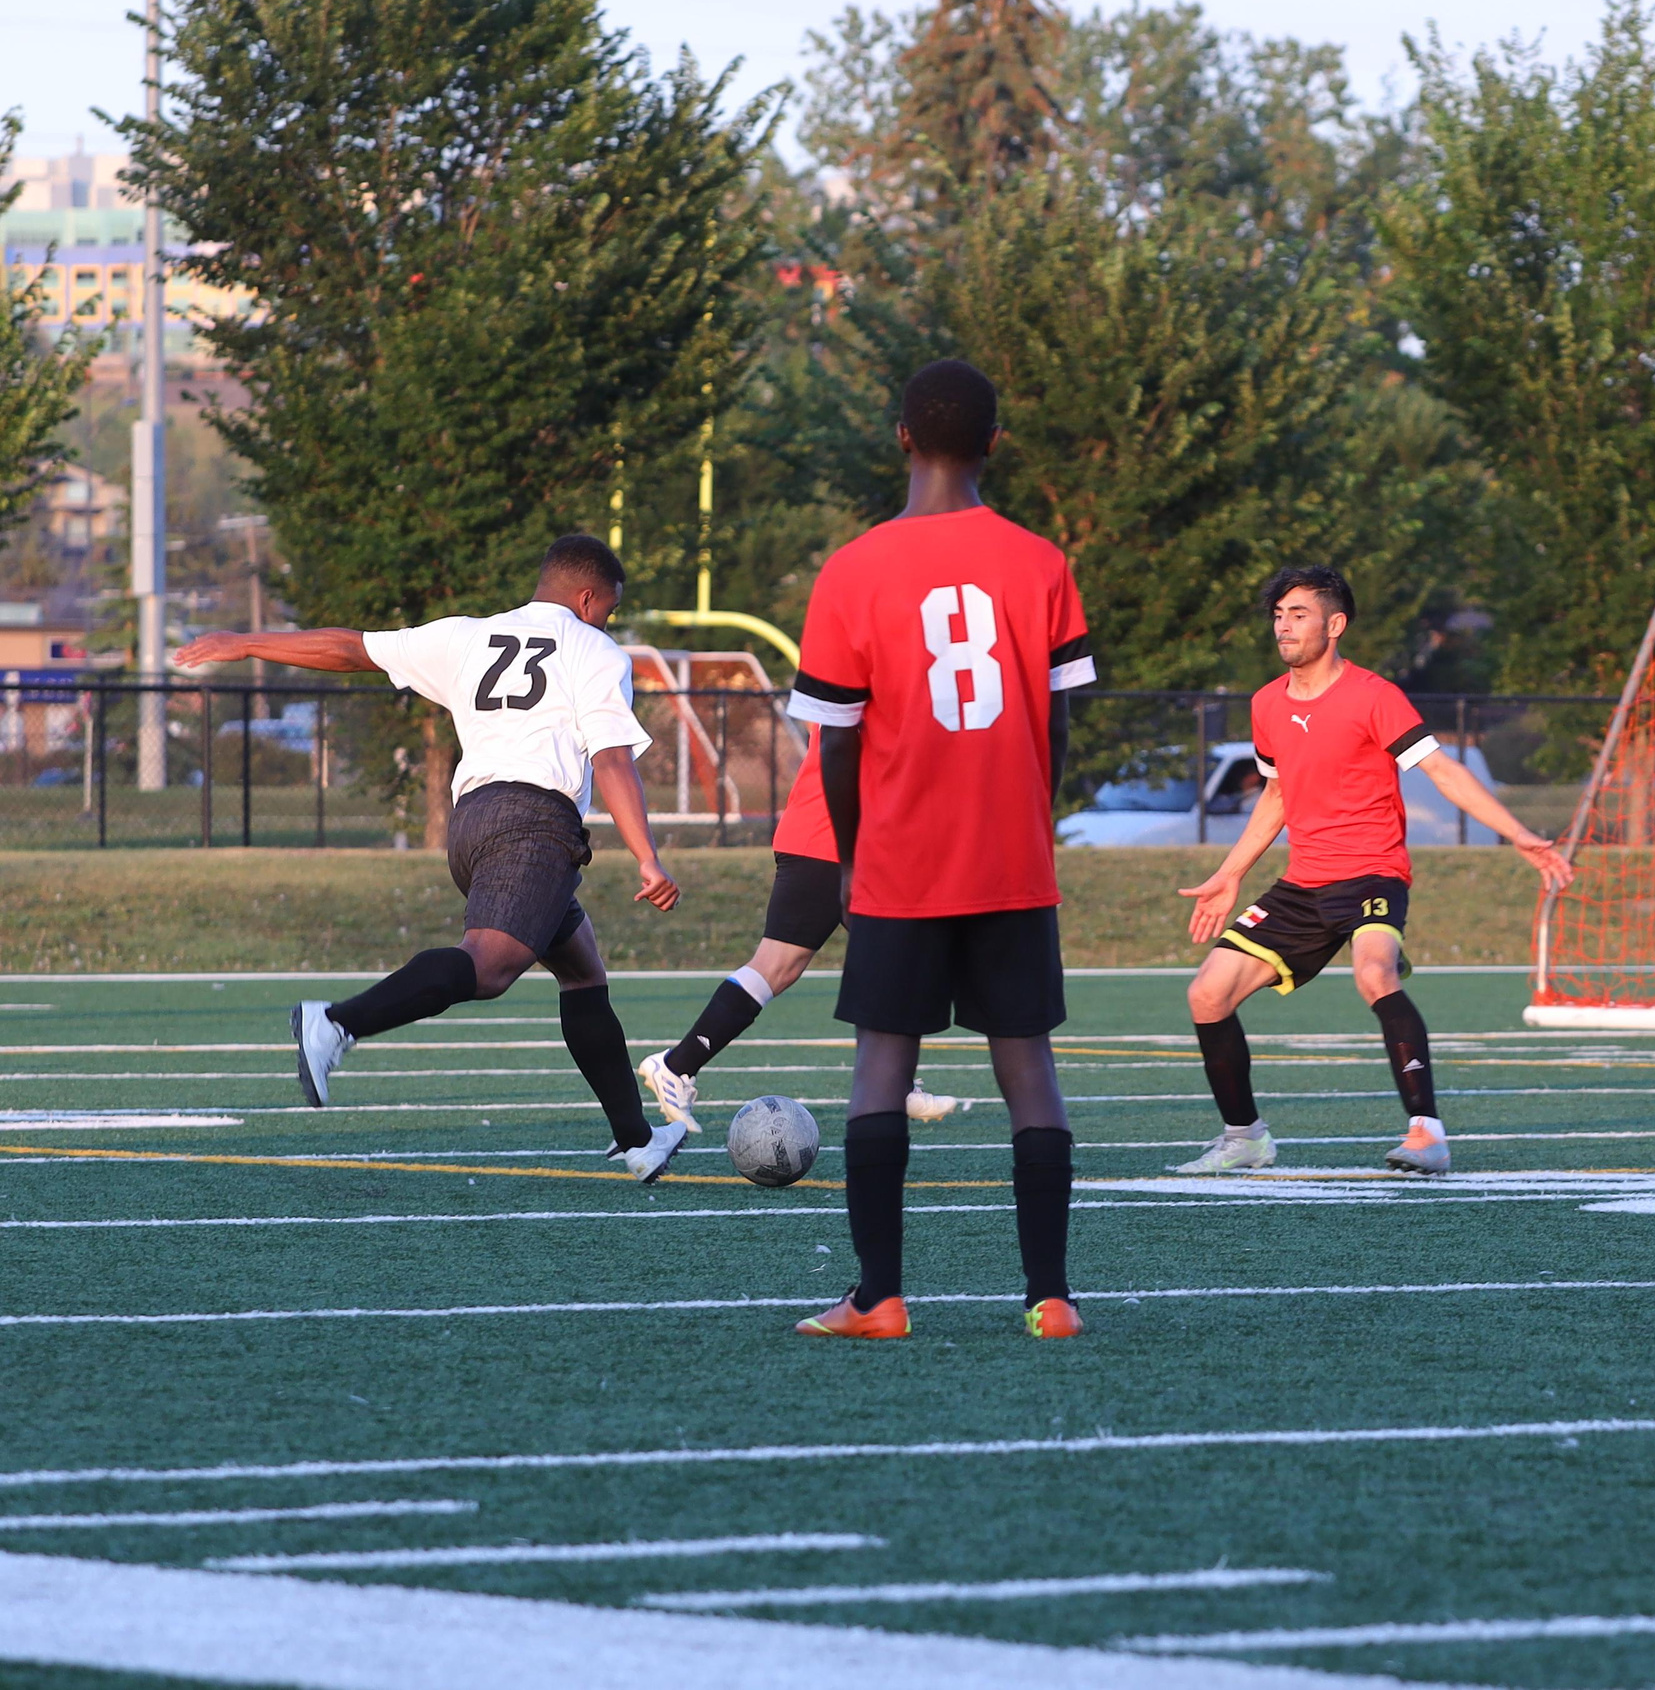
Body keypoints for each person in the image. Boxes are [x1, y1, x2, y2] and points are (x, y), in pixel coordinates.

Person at [170, 535, 691, 1180]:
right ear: (587, 598)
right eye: (607, 610)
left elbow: (349, 647)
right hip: (533, 826)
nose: (606, 621)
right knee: (491, 967)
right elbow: (612, 759)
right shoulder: (595, 650)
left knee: (582, 971)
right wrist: (648, 858)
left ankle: (637, 1141)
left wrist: (246, 642)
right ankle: (335, 1023)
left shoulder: (468, 636)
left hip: (471, 823)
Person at [787, 359, 1096, 1343]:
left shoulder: (852, 568)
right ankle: (1049, 1296)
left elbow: (835, 740)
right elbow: (1060, 719)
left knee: (882, 1064)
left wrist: (847, 854)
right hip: (1010, 858)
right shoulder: (1042, 562)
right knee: (1030, 1072)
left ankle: (879, 1297)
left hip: (899, 858)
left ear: (901, 438)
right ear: (996, 445)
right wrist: (1025, 813)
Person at [1171, 566, 1573, 1177]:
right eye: (1278, 614)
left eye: (1299, 613)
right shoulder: (1266, 704)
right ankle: (1244, 1138)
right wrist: (1229, 875)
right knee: (1207, 993)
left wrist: (1516, 834)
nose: (1284, 625)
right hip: (1303, 883)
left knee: (1374, 973)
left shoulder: (1374, 696)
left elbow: (1442, 771)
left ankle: (1426, 1134)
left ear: (1335, 625)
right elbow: (1276, 796)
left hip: (1371, 876)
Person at [634, 736, 957, 1135]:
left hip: (842, 838)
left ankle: (677, 1065)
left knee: (875, 958)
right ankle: (675, 1065)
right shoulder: (875, 676)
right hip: (831, 840)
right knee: (793, 963)